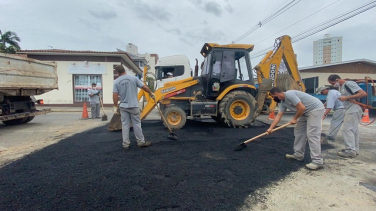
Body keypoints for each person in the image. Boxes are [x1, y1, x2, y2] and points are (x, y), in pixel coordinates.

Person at [267, 87, 325, 170]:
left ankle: (317, 161)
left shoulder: (290, 94)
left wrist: (294, 118)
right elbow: (278, 116)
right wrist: (271, 128)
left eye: (273, 97)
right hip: (304, 112)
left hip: (315, 109)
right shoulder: (283, 103)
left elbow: (301, 107)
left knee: (312, 134)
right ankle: (298, 155)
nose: (273, 98)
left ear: (276, 94)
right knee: (299, 132)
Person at [113, 65, 155, 150]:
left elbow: (115, 95)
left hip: (123, 106)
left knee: (125, 125)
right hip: (134, 106)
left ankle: (125, 144)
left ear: (118, 73)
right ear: (124, 70)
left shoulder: (116, 81)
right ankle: (140, 142)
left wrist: (115, 105)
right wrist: (151, 93)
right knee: (136, 124)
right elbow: (144, 87)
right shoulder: (134, 78)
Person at [327, 75, 367, 158]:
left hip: (353, 108)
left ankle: (350, 151)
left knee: (347, 130)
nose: (333, 85)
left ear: (337, 80)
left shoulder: (349, 84)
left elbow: (363, 93)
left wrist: (347, 97)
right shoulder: (344, 86)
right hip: (350, 109)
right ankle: (354, 149)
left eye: (333, 83)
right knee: (353, 130)